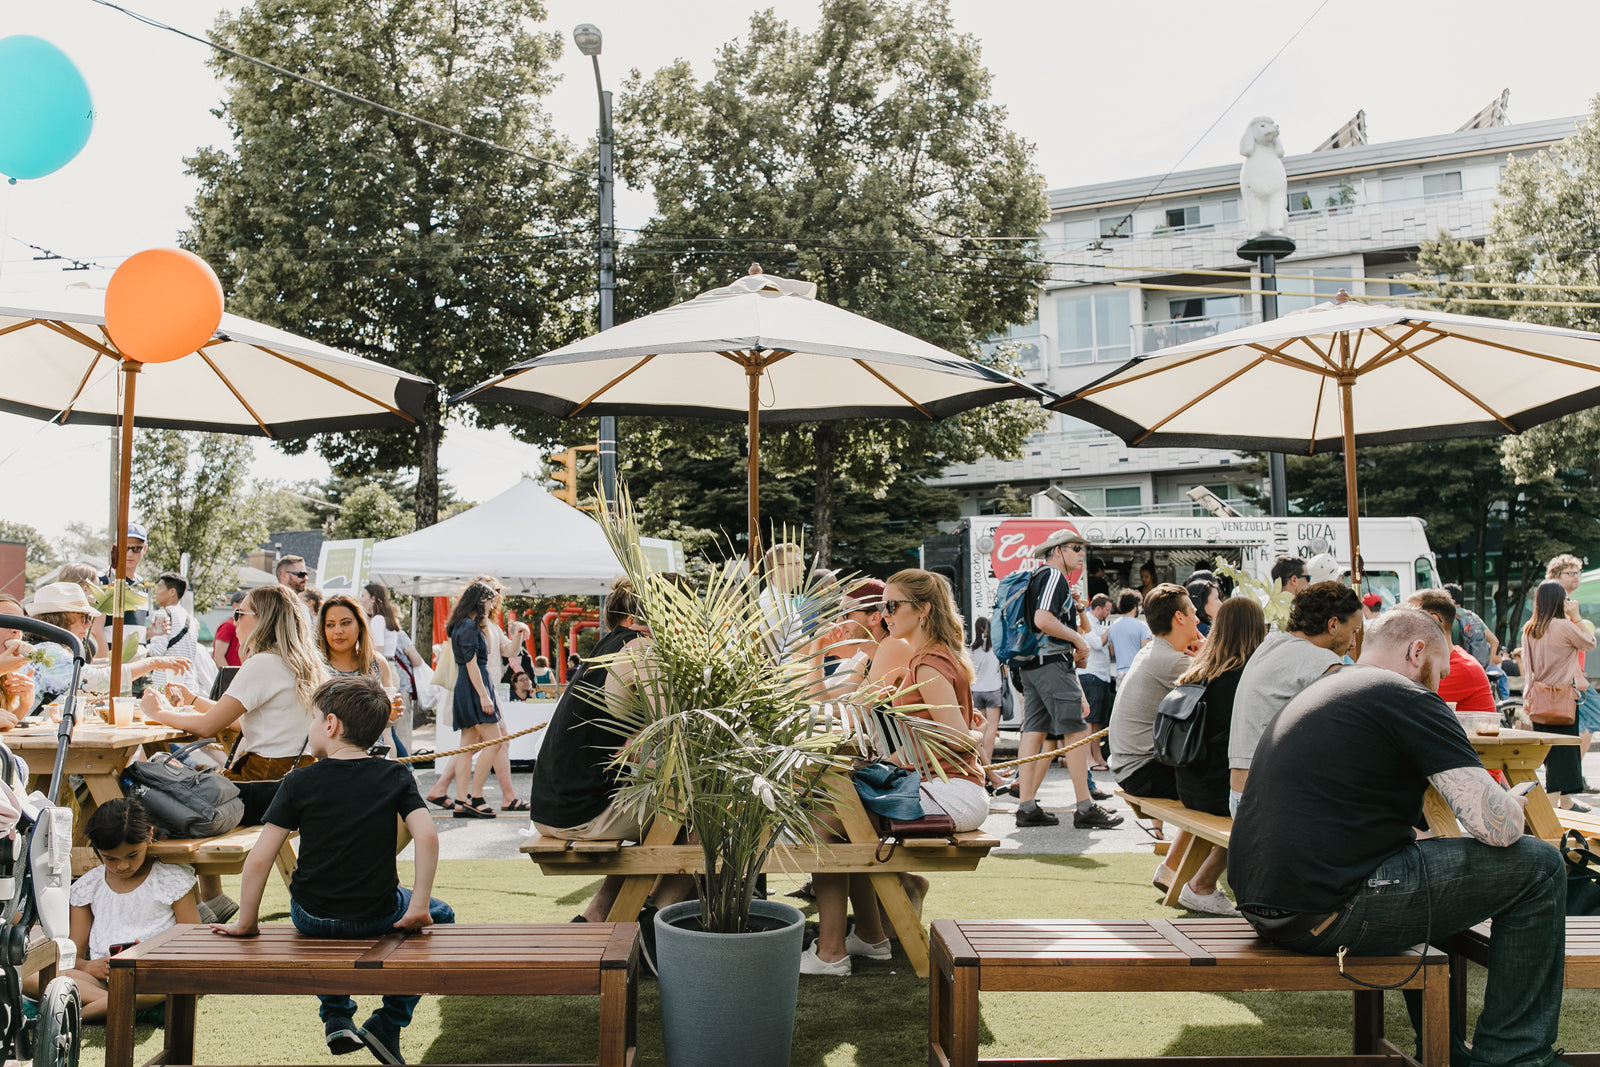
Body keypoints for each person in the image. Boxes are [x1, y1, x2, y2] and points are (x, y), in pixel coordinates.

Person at [1229, 607, 1565, 1067]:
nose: (1440, 685)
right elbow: (1498, 829)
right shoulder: (1406, 696)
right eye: (1441, 673)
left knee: (1431, 858)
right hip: (1330, 909)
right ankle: (1515, 1056)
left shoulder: (1330, 688)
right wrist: (1515, 804)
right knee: (1540, 866)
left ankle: (1446, 1053)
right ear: (1417, 651)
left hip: (1267, 908)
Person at [211, 675, 453, 1066]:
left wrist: (247, 923)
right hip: (378, 913)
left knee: (325, 917)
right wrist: (419, 905)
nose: (310, 728)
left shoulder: (299, 780)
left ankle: (337, 1014)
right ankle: (388, 1021)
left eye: (312, 719)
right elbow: (427, 837)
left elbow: (259, 858)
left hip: (311, 916)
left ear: (331, 724)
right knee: (443, 915)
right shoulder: (394, 775)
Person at [804, 568, 988, 976]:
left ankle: (832, 952)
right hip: (950, 788)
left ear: (922, 610)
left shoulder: (926, 662)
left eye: (892, 605)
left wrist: (975, 733)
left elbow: (958, 739)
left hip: (952, 793)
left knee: (825, 822)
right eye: (883, 605)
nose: (885, 614)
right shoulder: (931, 656)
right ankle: (867, 936)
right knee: (839, 819)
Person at [140, 583, 330, 921]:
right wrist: (193, 700)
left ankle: (196, 907)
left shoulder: (262, 664)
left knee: (167, 806)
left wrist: (157, 713)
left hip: (260, 789)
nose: (235, 620)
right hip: (290, 786)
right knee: (191, 794)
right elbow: (248, 722)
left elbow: (206, 728)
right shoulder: (300, 664)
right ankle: (212, 901)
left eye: (240, 613)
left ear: (262, 620)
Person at [528, 577, 694, 928]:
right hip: (583, 813)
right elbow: (675, 733)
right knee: (704, 813)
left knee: (666, 801)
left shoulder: (606, 648)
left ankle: (598, 913)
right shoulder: (643, 650)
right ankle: (654, 923)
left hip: (555, 804)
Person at [1109, 584, 1234, 914]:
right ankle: (1201, 883)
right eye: (1193, 614)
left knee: (1208, 784)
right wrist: (1206, 648)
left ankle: (1170, 868)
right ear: (1179, 617)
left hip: (1129, 765)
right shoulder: (1172, 662)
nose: (1198, 621)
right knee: (1218, 789)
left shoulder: (1154, 651)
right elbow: (1223, 683)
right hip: (1142, 770)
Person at [49, 798, 200, 1023]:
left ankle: (82, 1014)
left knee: (165, 984)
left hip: (155, 977)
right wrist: (90, 966)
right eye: (110, 858)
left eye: (132, 855)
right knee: (41, 977)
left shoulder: (171, 878)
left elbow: (195, 943)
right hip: (103, 981)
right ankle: (115, 1003)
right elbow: (73, 957)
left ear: (149, 834)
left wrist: (153, 957)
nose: (122, 866)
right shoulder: (88, 886)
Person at [1013, 529, 1121, 830]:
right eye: (1076, 548)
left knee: (1032, 732)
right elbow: (1043, 619)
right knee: (1075, 732)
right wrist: (1079, 640)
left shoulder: (1038, 577)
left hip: (1032, 665)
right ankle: (1085, 806)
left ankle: (1026, 806)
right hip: (1051, 664)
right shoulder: (1053, 577)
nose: (1081, 554)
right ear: (1058, 550)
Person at [1227, 582, 1361, 813]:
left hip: (1238, 797)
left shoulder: (1269, 647)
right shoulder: (1322, 662)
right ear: (1333, 624)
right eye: (1354, 631)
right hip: (1270, 803)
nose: (1354, 643)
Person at [28, 583, 187, 712]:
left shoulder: (43, 649)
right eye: (84, 617)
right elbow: (99, 681)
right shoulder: (50, 653)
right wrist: (155, 662)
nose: (89, 623)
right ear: (61, 619)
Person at [1521, 579, 1595, 809]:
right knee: (1564, 754)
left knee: (1552, 755)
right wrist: (1578, 616)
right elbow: (1590, 642)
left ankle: (1566, 801)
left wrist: (1527, 694)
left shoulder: (1530, 628)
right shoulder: (1564, 626)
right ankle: (1552, 808)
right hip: (1562, 699)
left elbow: (1527, 667)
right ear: (1558, 601)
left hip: (1539, 699)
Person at [443, 580, 504, 818]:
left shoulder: (463, 624)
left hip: (466, 686)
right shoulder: (468, 626)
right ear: (481, 601)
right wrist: (484, 696)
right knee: (494, 742)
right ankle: (476, 797)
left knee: (466, 747)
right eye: (490, 602)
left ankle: (461, 800)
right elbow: (473, 664)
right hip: (473, 686)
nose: (492, 607)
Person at [1547, 554, 1598, 768]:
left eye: (1578, 573)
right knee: (1591, 718)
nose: (1576, 577)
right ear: (1556, 576)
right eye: (1570, 573)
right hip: (1571, 676)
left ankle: (1573, 771)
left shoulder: (1565, 603)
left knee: (1584, 721)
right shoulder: (1561, 606)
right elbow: (1567, 643)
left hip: (1572, 674)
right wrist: (1577, 673)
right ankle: (1573, 770)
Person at [1407, 589, 1494, 713]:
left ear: (1433, 621)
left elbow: (1405, 703)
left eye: (1409, 619)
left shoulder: (1458, 668)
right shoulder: (1453, 660)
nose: (1404, 626)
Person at [967, 617, 1014, 793]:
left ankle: (981, 762)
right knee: (992, 728)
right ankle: (989, 765)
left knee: (980, 729)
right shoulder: (995, 648)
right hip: (993, 690)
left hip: (976, 691)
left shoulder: (972, 648)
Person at [317, 594, 395, 687]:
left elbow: (389, 697)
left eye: (345, 623)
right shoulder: (313, 665)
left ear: (360, 625)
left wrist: (394, 700)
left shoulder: (377, 662)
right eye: (330, 625)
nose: (338, 631)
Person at [99, 522, 151, 654]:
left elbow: (138, 631)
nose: (130, 553)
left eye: (136, 549)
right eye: (125, 547)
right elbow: (95, 631)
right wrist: (108, 666)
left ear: (144, 549)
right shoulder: (104, 580)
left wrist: (154, 631)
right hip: (111, 668)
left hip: (137, 668)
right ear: (115, 548)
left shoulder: (143, 586)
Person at [145, 572, 200, 692]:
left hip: (167, 684)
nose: (156, 592)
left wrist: (138, 649)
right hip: (189, 684)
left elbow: (156, 651)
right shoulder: (191, 619)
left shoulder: (162, 614)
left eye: (159, 587)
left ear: (172, 592)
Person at [1079, 593, 1115, 773]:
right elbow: (1096, 643)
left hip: (1101, 675)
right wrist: (1113, 629)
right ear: (1098, 608)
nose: (1108, 613)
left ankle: (1097, 755)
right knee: (1089, 719)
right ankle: (1088, 758)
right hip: (1090, 674)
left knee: (1098, 721)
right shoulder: (1088, 622)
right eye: (1107, 609)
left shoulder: (1098, 624)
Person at [1444, 583, 1497, 668]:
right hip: (1474, 667)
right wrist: (1487, 667)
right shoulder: (1471, 616)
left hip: (1455, 668)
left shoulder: (1446, 617)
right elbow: (1494, 641)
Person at [1106, 590, 1150, 681]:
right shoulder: (1142, 626)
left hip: (1120, 673)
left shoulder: (1113, 627)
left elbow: (1112, 652)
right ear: (1135, 606)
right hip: (1138, 671)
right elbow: (1147, 652)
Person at [212, 591, 247, 669]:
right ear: (235, 605)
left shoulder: (247, 626)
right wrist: (230, 678)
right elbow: (218, 656)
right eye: (243, 601)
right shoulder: (228, 626)